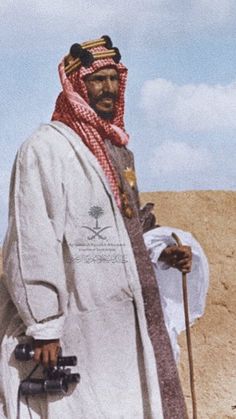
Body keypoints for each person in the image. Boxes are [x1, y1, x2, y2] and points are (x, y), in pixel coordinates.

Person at [0, 36, 207, 419]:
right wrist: (45, 324)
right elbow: (33, 238)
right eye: (98, 80)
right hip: (74, 319)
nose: (109, 88)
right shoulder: (45, 149)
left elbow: (127, 228)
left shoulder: (118, 151)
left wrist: (161, 251)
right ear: (76, 85)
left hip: (122, 320)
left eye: (114, 79)